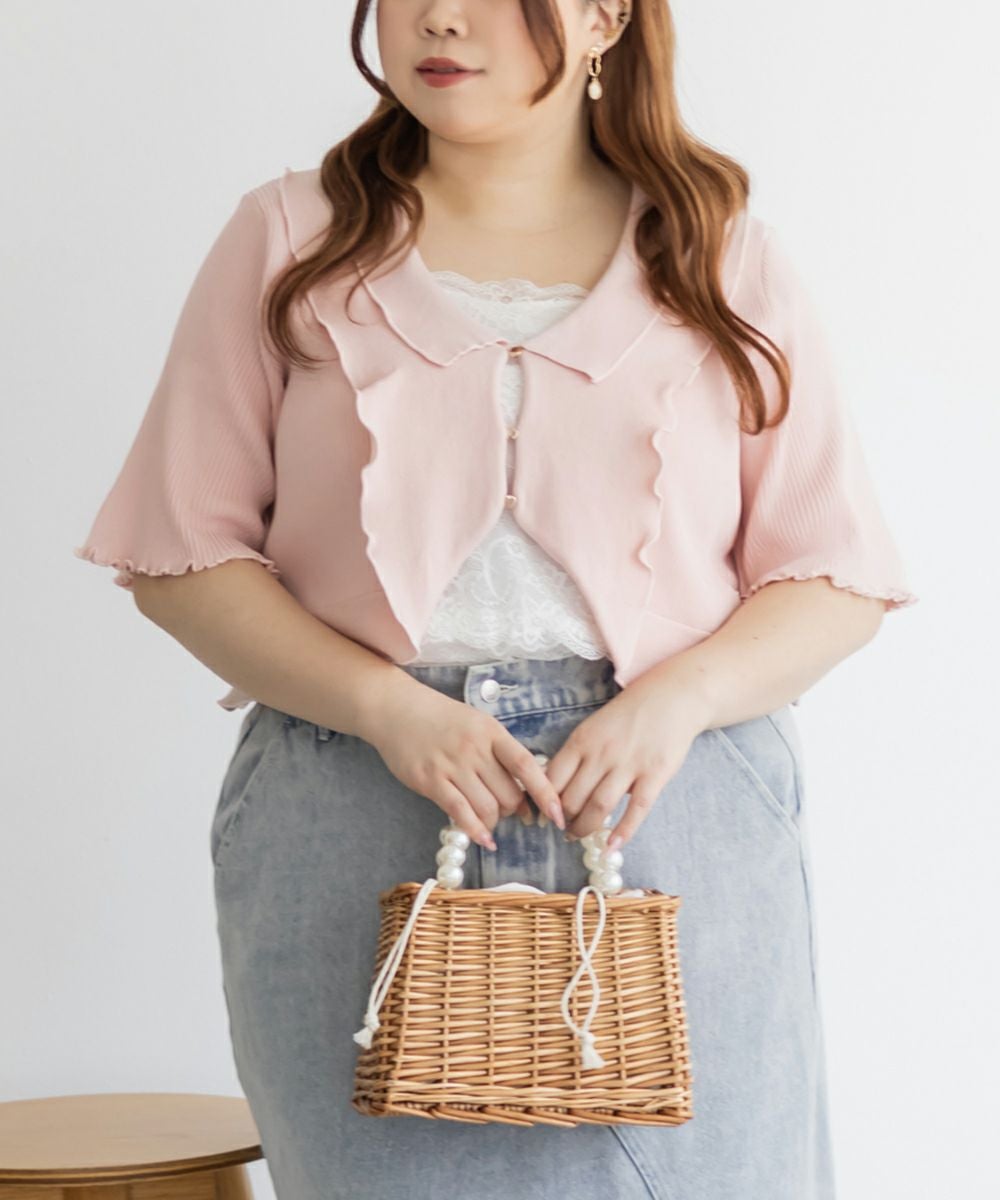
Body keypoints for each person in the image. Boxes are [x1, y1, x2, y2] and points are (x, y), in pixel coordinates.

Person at [73, 1, 918, 1197]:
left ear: (603, 16)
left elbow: (832, 577)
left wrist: (675, 702)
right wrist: (386, 708)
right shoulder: (290, 240)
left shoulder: (723, 257)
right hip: (350, 805)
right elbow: (179, 557)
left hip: (671, 813)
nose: (439, 17)